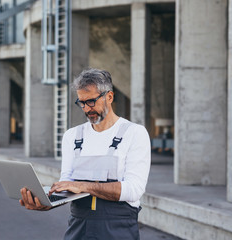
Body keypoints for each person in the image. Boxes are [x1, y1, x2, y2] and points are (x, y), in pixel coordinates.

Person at [20, 68, 151, 239]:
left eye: (91, 101)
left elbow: (133, 190)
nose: (86, 109)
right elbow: (67, 184)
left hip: (118, 229)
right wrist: (47, 203)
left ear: (109, 97)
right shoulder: (72, 136)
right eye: (81, 102)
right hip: (78, 227)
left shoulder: (134, 133)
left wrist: (83, 186)